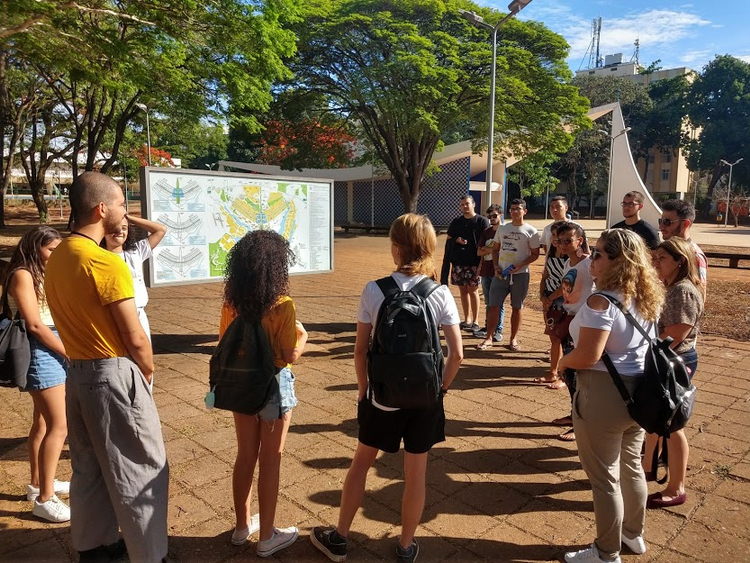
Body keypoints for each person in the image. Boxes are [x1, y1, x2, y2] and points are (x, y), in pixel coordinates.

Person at [310, 213, 463, 563]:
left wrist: (364, 389)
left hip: (382, 394)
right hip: (425, 396)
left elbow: (360, 349)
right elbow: (457, 354)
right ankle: (406, 545)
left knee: (361, 464)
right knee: (416, 473)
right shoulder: (439, 293)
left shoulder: (374, 289)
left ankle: (340, 538)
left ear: (396, 247)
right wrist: (441, 389)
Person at [45, 172, 168, 563]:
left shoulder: (59, 255)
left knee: (89, 468)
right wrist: (145, 372)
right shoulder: (105, 264)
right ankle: (149, 554)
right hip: (113, 375)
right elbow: (135, 339)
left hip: (76, 375)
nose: (124, 212)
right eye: (120, 204)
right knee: (141, 469)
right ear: (101, 209)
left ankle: (93, 547)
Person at [559, 229, 665, 563]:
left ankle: (606, 552)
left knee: (604, 478)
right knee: (631, 466)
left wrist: (562, 362)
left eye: (600, 253)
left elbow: (588, 355)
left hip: (603, 393)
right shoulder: (645, 296)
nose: (593, 258)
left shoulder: (599, 301)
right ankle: (632, 535)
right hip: (639, 393)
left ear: (619, 261)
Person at [219, 230, 307, 556]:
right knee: (271, 460)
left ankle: (242, 527)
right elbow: (288, 354)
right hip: (272, 387)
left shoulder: (231, 302)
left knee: (245, 454)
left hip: (240, 385)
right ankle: (268, 536)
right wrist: (304, 336)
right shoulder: (283, 305)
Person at [2, 226, 70, 522]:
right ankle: (44, 500)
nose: (56, 255)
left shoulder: (42, 272)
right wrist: (68, 351)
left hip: (52, 344)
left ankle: (37, 484)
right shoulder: (22, 275)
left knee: (41, 423)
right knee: (60, 426)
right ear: (34, 247)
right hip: (43, 349)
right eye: (51, 249)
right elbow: (35, 325)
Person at [642, 237, 704, 508]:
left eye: (662, 259)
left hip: (675, 361)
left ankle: (676, 487)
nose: (656, 263)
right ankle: (647, 468)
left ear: (680, 260)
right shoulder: (670, 286)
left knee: (673, 425)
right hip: (665, 358)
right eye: (654, 259)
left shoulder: (683, 290)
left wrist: (649, 346)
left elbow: (677, 333)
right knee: (657, 419)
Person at [549, 223, 594, 441]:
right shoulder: (568, 262)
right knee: (569, 374)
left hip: (582, 323)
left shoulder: (590, 265)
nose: (564, 245)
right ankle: (574, 414)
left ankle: (581, 423)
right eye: (560, 240)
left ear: (580, 240)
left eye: (569, 240)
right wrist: (552, 298)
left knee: (577, 376)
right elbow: (567, 287)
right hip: (568, 321)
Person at [478, 198, 540, 351]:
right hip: (501, 274)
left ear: (524, 211)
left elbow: (535, 254)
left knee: (517, 307)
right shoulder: (503, 229)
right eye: (512, 209)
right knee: (493, 305)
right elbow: (495, 250)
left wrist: (520, 264)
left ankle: (513, 339)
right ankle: (489, 338)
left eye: (518, 209)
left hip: (521, 275)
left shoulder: (531, 231)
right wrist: (496, 267)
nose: (514, 212)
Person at [101, 214, 167, 340]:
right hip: (114, 316)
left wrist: (127, 217)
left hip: (139, 314)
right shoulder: (98, 257)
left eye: (124, 228)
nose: (120, 231)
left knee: (143, 351)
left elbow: (160, 230)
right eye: (114, 228)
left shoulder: (135, 252)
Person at [446, 195, 489, 332]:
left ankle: (476, 321)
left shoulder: (482, 221)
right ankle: (467, 319)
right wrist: (456, 240)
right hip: (459, 262)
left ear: (474, 204)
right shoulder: (456, 222)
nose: (465, 206)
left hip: (474, 262)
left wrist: (481, 264)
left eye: (467, 204)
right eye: (462, 204)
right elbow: (448, 239)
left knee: (473, 290)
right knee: (462, 290)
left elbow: (487, 242)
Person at [536, 220, 568, 386]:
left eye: (559, 236)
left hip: (562, 300)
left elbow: (567, 284)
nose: (555, 239)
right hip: (549, 298)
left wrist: (551, 298)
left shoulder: (570, 257)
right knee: (553, 337)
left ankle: (560, 374)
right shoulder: (550, 254)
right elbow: (544, 277)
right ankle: (554, 371)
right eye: (554, 235)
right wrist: (543, 296)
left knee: (560, 337)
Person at [658, 199, 707, 297]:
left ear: (685, 224)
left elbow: (699, 295)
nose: (661, 226)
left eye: (667, 222)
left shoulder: (694, 256)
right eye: (661, 221)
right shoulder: (664, 251)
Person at [473, 204, 503, 343]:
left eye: (494, 216)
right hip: (486, 270)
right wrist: (493, 250)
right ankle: (488, 327)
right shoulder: (486, 232)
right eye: (489, 216)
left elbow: (502, 250)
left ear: (501, 215)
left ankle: (498, 330)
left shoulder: (504, 231)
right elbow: (479, 252)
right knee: (489, 302)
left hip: (498, 270)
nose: (492, 218)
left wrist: (489, 249)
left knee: (498, 303)